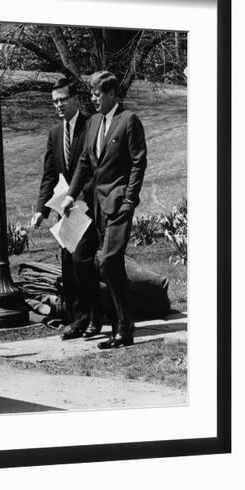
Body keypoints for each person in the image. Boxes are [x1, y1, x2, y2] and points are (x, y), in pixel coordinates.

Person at [60, 71, 147, 349]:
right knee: (87, 261)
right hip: (95, 205)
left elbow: (138, 162)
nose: (94, 99)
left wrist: (129, 198)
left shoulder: (128, 120)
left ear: (112, 94)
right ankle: (107, 318)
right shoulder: (95, 122)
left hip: (119, 203)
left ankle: (124, 327)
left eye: (98, 94)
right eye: (93, 94)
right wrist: (70, 195)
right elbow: (85, 162)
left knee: (109, 261)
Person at [32, 78, 102, 340]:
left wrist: (81, 196)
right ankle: (79, 319)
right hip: (66, 212)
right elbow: (49, 174)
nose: (58, 105)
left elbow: (97, 167)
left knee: (82, 261)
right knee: (69, 267)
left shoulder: (92, 125)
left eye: (62, 100)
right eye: (55, 102)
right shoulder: (54, 133)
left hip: (88, 207)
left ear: (75, 100)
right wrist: (41, 210)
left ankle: (91, 318)